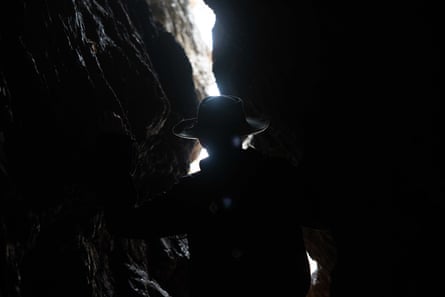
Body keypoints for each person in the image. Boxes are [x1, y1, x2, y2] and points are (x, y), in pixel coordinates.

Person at [100, 95, 323, 297]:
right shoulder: (278, 176)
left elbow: (126, 223)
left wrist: (116, 152)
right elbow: (319, 213)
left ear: (203, 140)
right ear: (244, 134)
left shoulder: (195, 191)